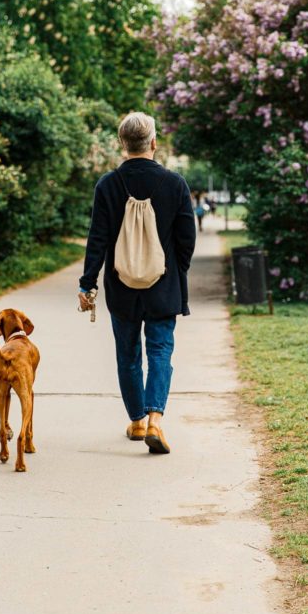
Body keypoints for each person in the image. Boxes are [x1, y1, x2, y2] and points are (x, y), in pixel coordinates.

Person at [78, 112, 196, 454]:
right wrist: (175, 271)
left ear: (121, 143)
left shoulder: (108, 185)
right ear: (154, 142)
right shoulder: (175, 184)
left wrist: (88, 283)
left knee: (128, 356)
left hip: (121, 285)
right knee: (161, 351)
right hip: (163, 287)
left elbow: (97, 239)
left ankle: (137, 420)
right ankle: (156, 418)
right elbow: (186, 238)